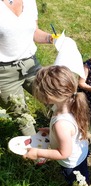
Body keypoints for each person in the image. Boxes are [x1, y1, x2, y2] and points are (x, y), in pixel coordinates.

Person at [23, 66, 91, 186]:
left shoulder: (61, 124)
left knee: (78, 183)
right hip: (80, 151)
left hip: (72, 163)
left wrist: (38, 153)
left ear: (49, 97)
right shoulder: (70, 102)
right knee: (83, 174)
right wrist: (52, 132)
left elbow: (63, 153)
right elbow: (70, 132)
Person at [0, 0, 54, 135]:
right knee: (24, 120)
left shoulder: (29, 1)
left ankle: (63, 138)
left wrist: (51, 38)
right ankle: (37, 153)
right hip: (4, 73)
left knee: (55, 98)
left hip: (31, 65)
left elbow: (34, 31)